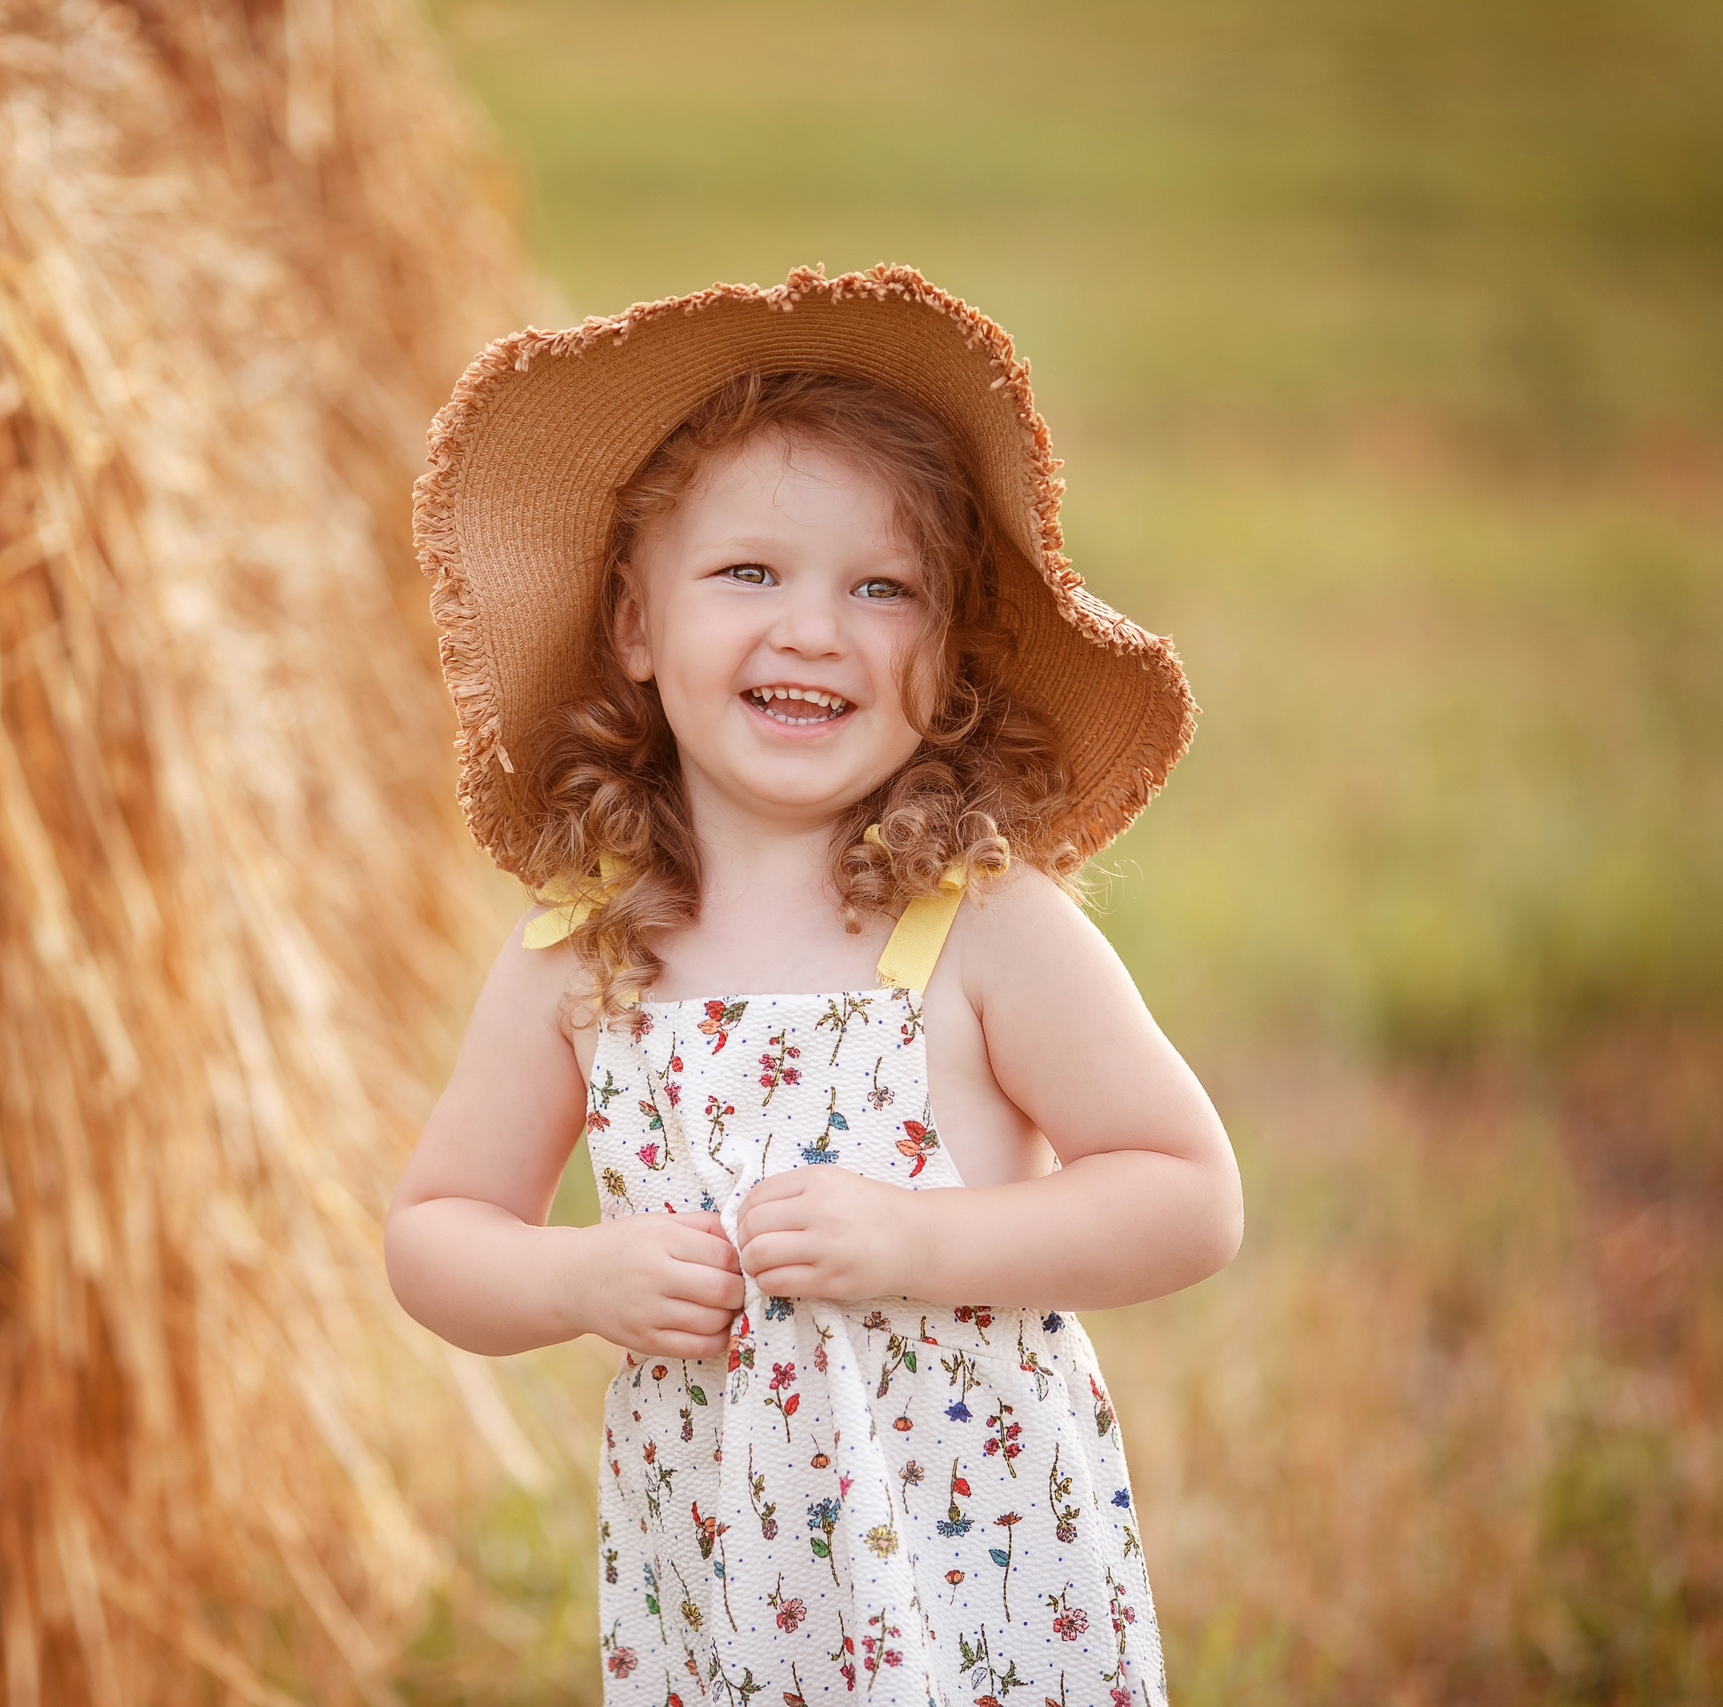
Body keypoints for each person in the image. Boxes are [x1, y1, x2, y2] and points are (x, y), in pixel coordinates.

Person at [388, 267, 1241, 1705]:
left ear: (946, 659)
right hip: (725, 1583)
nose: (812, 630)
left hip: (976, 1581)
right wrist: (579, 1276)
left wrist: (917, 1240)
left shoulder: (981, 929)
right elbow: (435, 1231)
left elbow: (1188, 1196)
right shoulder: (581, 950)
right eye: (749, 574)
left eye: (881, 589)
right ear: (635, 628)